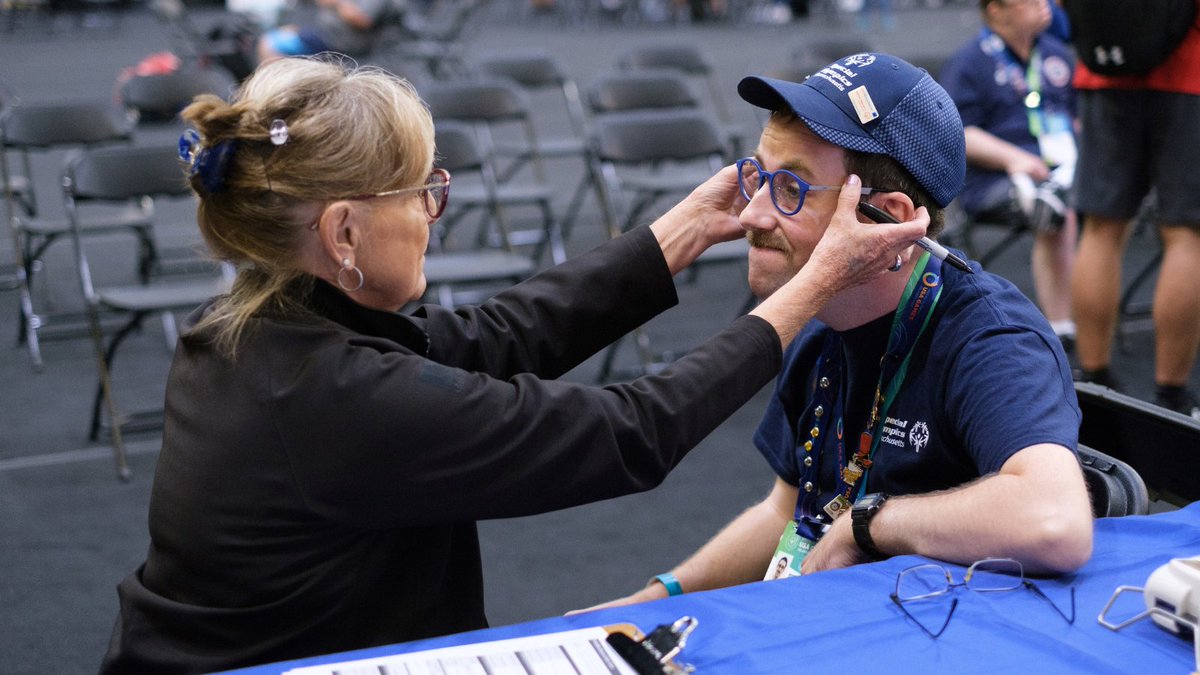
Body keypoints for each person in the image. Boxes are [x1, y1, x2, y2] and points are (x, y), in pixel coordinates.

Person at [98, 56, 924, 673]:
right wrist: (813, 286)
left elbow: (493, 336)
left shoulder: (263, 323)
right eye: (420, 192)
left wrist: (683, 229)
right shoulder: (332, 393)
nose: (434, 213)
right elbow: (630, 432)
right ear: (345, 231)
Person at [581, 53, 1093, 612]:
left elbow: (1055, 522)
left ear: (887, 219)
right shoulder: (822, 323)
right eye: (758, 177)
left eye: (791, 188)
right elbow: (785, 512)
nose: (752, 215)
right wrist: (656, 599)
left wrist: (868, 523)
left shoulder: (989, 338)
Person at [1069, 2, 1200, 418]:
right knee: (1187, 235)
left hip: (1105, 67)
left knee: (1100, 229)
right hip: (1190, 73)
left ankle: (1093, 383)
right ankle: (1172, 398)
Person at [940, 0, 1078, 350]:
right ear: (996, 11)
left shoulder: (1056, 53)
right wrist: (1016, 159)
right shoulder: (970, 62)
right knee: (1053, 208)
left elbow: (1076, 119)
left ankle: (1088, 317)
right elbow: (958, 132)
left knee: (1108, 201)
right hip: (997, 178)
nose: (1044, 5)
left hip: (1065, 167)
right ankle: (1062, 329)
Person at [256, 0, 391, 63]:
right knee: (275, 36)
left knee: (271, 44)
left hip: (340, 41)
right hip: (323, 32)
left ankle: (275, 90)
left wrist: (338, 2)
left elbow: (363, 20)